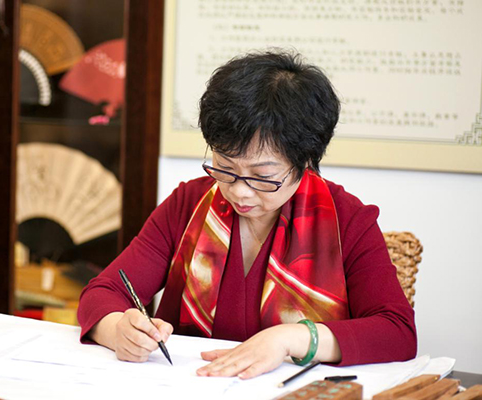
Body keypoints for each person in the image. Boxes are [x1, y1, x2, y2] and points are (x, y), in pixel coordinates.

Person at [77, 50, 417, 379]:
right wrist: (118, 330)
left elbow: (397, 331)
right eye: (225, 167)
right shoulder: (189, 203)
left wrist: (290, 339)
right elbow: (103, 292)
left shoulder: (347, 221)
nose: (239, 191)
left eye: (262, 176)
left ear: (305, 161)